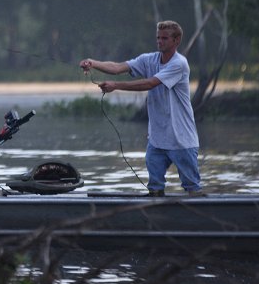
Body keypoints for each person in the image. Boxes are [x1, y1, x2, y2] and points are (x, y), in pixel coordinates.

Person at [79, 20, 202, 197]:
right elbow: (118, 67)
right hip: (157, 140)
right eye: (158, 38)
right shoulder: (149, 59)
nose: (160, 41)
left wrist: (116, 86)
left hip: (182, 139)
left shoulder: (179, 64)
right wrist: (93, 63)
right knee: (155, 189)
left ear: (176, 41)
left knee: (192, 189)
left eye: (165, 38)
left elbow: (151, 83)